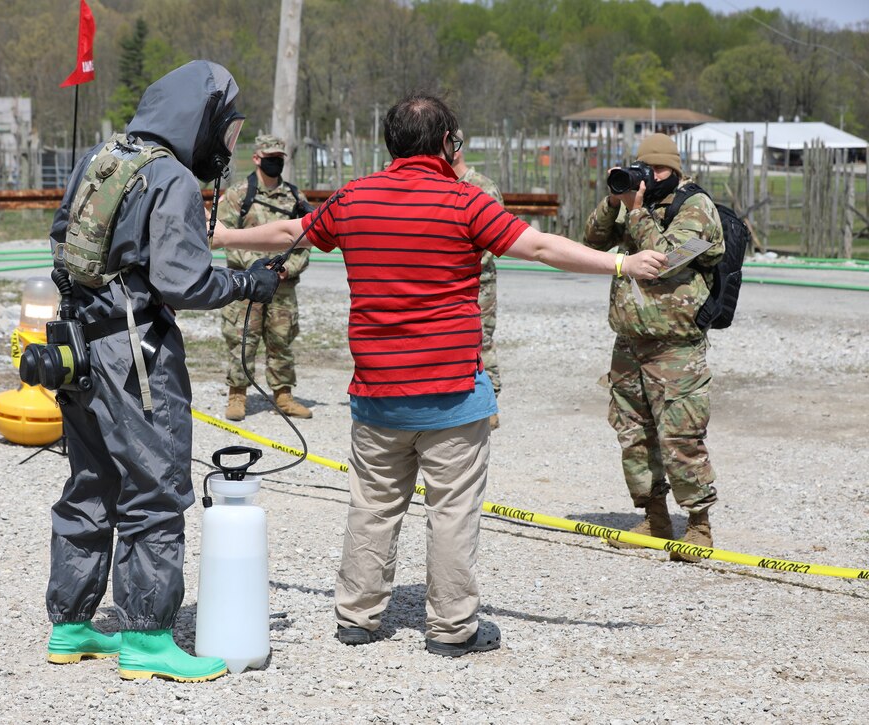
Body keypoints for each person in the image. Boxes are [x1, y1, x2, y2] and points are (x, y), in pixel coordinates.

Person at [212, 94, 666, 657]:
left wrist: (222, 237)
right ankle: (452, 629)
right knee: (451, 513)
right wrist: (622, 263)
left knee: (371, 506)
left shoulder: (355, 198)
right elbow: (542, 246)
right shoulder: (464, 201)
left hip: (377, 394)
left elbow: (290, 233)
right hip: (453, 394)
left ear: (390, 142)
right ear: (447, 142)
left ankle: (357, 616)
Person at [43, 60, 279, 682]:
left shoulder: (104, 156)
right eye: (226, 130)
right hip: (135, 352)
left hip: (77, 346)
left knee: (90, 482)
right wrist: (246, 284)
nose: (227, 145)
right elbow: (184, 280)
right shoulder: (170, 176)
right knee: (154, 485)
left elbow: (61, 241)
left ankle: (71, 626)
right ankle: (147, 639)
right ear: (201, 120)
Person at [582, 133, 724, 562]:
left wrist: (638, 211)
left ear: (675, 170)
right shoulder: (634, 205)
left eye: (659, 171)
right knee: (634, 434)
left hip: (676, 346)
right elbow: (592, 243)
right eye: (647, 169)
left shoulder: (696, 208)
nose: (652, 177)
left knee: (680, 434)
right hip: (629, 341)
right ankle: (654, 516)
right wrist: (613, 201)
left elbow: (661, 260)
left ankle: (698, 525)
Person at [216, 133, 313, 421]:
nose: (275, 163)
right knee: (242, 338)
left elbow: (307, 240)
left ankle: (283, 395)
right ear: (257, 158)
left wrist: (287, 268)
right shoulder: (238, 194)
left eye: (279, 159)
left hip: (283, 286)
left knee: (282, 340)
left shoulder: (295, 197)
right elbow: (222, 237)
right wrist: (258, 270)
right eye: (270, 158)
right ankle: (237, 395)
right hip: (247, 285)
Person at [449, 129, 503, 430]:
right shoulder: (441, 186)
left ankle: (490, 401)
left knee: (481, 340)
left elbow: (494, 238)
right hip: (450, 281)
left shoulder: (482, 187)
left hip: (478, 279)